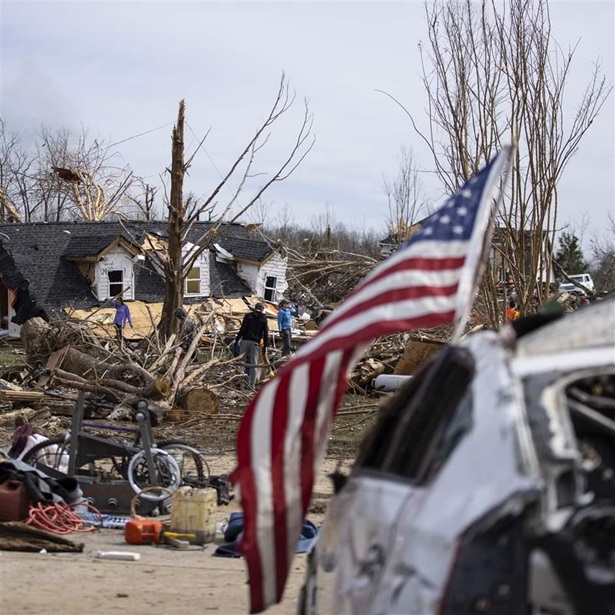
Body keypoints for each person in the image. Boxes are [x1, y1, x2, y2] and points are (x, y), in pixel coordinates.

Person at [235, 302, 269, 389]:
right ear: (262, 309)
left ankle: (240, 384)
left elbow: (242, 328)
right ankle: (251, 386)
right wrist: (265, 346)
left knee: (242, 362)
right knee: (254, 364)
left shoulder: (248, 316)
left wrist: (237, 339)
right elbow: (265, 334)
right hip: (255, 343)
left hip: (245, 341)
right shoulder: (264, 319)